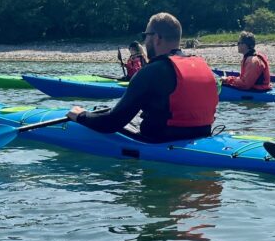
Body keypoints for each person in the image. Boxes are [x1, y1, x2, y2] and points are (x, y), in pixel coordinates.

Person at [67, 12, 218, 143]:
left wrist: (81, 116)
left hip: (160, 141)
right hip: (202, 135)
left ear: (157, 38)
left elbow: (112, 123)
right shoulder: (202, 66)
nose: (144, 41)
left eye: (145, 36)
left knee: (103, 115)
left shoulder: (151, 71)